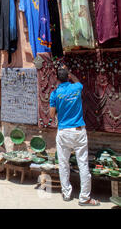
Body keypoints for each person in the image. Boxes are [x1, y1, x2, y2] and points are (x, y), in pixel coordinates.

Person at [50, 65, 100, 206]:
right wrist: (71, 74)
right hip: (78, 131)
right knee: (83, 164)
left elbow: (51, 114)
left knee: (63, 164)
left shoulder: (55, 94)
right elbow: (79, 82)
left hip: (64, 132)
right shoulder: (76, 88)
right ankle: (84, 198)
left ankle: (66, 193)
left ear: (57, 79)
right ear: (68, 77)